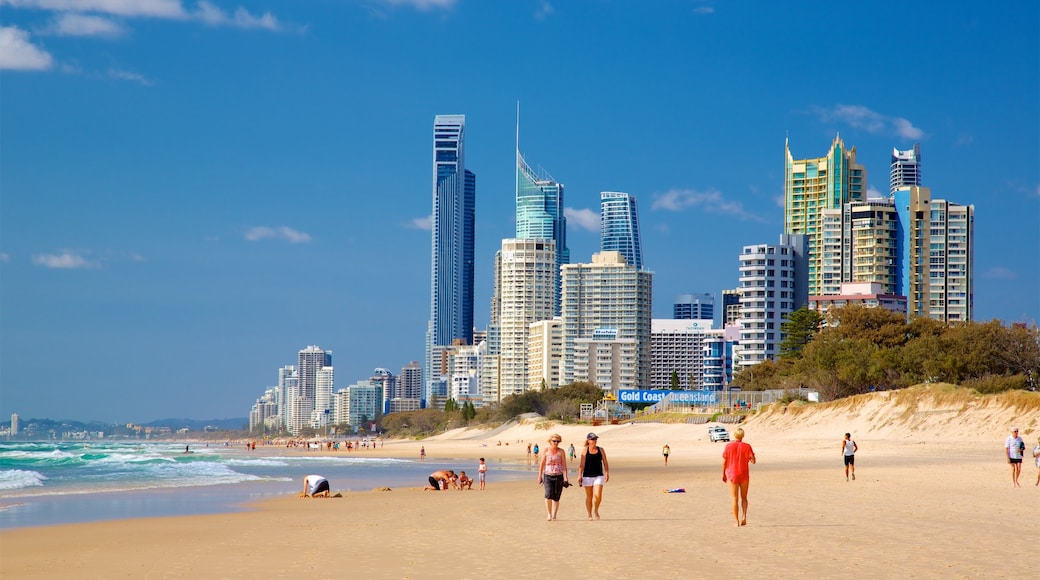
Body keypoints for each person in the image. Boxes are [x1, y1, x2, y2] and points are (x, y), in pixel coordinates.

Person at [722, 427, 756, 527]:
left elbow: (724, 462)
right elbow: (753, 461)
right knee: (744, 497)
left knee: (734, 498)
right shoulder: (747, 446)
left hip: (732, 474)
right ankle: (744, 516)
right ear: (743, 435)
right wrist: (751, 458)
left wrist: (723, 474)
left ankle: (736, 522)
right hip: (744, 473)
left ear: (735, 435)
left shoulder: (728, 446)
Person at [537, 434, 569, 521]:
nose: (556, 443)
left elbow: (564, 465)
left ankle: (554, 515)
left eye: (558, 441)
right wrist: (539, 476)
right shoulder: (546, 450)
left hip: (559, 476)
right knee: (548, 495)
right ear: (550, 441)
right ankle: (549, 514)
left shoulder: (561, 451)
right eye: (554, 441)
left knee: (556, 496)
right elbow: (542, 464)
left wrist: (565, 478)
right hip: (548, 475)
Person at [578, 432, 609, 521]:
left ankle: (596, 510)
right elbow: (582, 464)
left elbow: (605, 462)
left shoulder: (601, 450)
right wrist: (579, 475)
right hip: (587, 476)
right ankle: (589, 514)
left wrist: (607, 472)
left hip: (598, 475)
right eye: (592, 439)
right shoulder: (585, 450)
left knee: (597, 495)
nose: (594, 441)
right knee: (589, 496)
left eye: (595, 439)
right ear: (588, 440)